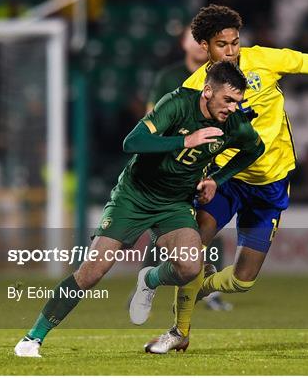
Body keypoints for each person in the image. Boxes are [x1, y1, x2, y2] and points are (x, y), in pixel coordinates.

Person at [131, 4, 308, 354]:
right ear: (205, 47)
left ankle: (188, 284)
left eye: (236, 42)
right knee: (193, 247)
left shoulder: (265, 60)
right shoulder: (194, 88)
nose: (232, 51)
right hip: (226, 180)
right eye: (223, 45)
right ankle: (179, 330)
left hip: (271, 184)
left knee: (242, 280)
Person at [14, 61, 265, 357]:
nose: (233, 108)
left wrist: (215, 180)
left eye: (238, 102)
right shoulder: (176, 104)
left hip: (174, 204)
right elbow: (132, 141)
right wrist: (185, 140)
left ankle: (149, 279)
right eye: (228, 100)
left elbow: (255, 149)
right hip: (134, 197)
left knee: (190, 267)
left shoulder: (234, 124)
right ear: (208, 91)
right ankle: (32, 339)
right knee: (92, 273)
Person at [142, 26, 233, 311]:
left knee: (209, 220)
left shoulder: (221, 77)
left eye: (201, 42)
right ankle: (146, 281)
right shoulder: (168, 78)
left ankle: (208, 291)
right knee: (162, 223)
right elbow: (151, 117)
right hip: (173, 161)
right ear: (183, 43)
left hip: (207, 161)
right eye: (191, 40)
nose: (197, 46)